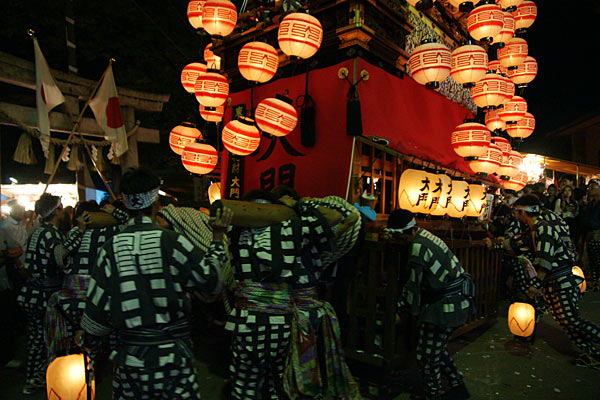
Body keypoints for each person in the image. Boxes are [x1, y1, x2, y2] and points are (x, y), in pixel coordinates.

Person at [78, 168, 233, 400]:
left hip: (130, 362)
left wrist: (88, 342)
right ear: (157, 203)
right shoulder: (174, 242)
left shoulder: (110, 249)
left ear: (125, 203)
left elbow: (95, 319)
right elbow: (211, 284)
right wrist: (218, 237)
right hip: (173, 362)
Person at [224, 189, 360, 399]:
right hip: (284, 323)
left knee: (246, 385)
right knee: (281, 382)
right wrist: (299, 204)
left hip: (248, 322)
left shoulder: (233, 232)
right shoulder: (292, 230)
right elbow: (341, 217)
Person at [385, 209, 474, 400]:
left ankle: (433, 394)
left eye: (400, 236)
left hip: (446, 304)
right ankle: (457, 386)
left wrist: (402, 310)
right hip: (457, 299)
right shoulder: (424, 236)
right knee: (435, 350)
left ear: (409, 231)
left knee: (426, 355)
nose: (399, 240)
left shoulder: (418, 248)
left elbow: (413, 287)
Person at [16, 193, 92, 394]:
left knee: (36, 337)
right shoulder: (49, 233)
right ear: (55, 211)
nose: (63, 212)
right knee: (43, 338)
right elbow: (60, 255)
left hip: (31, 292)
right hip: (41, 295)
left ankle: (34, 377)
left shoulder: (38, 230)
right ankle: (36, 379)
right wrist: (80, 232)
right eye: (60, 208)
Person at [513, 194, 600, 369]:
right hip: (553, 283)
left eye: (517, 212)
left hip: (562, 281)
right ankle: (594, 355)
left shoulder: (543, 229)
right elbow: (517, 244)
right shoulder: (533, 230)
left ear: (523, 212)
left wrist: (535, 284)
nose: (516, 215)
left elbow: (545, 260)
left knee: (571, 320)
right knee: (565, 321)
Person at [44, 200, 129, 362]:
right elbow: (130, 223)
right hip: (98, 300)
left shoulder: (75, 232)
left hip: (69, 300)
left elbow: (60, 258)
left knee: (71, 347)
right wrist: (115, 212)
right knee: (99, 344)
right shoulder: (112, 231)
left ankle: (71, 371)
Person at [0, 199, 27, 367]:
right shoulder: (5, 227)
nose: (22, 211)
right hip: (12, 273)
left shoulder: (21, 224)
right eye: (19, 209)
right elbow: (11, 251)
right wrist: (16, 260)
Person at [582, 179, 600, 291]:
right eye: (589, 187)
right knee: (592, 260)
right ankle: (594, 281)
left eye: (593, 187)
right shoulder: (590, 204)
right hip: (590, 235)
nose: (590, 189)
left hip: (598, 234)